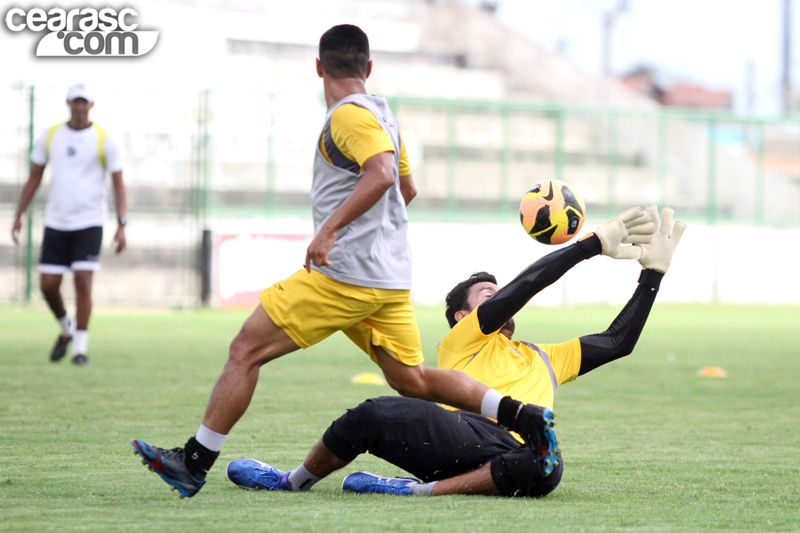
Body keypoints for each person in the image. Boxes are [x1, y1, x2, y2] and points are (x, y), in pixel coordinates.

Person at [132, 24, 618, 498]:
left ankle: (194, 462)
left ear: (319, 67)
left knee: (246, 350)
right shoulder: (385, 116)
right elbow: (408, 188)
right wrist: (373, 236)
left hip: (343, 276)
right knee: (414, 379)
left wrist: (331, 230)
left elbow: (383, 176)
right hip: (386, 280)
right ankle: (517, 412)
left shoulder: (348, 116)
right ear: (369, 66)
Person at [223, 206, 685, 498]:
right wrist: (588, 247)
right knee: (371, 414)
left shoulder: (545, 357)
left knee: (546, 466)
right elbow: (525, 288)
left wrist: (653, 276)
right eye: (486, 293)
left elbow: (617, 341)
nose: (498, 296)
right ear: (463, 316)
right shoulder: (462, 339)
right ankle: (292, 481)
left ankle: (415, 491)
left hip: (516, 449)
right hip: (456, 434)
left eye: (495, 291)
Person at [11, 83, 127, 367]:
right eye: (75, 101)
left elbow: (118, 183)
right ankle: (66, 329)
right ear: (68, 103)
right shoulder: (51, 136)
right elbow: (35, 176)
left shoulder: (104, 139)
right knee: (48, 286)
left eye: (84, 102)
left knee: (83, 282)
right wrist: (19, 214)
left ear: (91, 105)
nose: (79, 106)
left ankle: (80, 350)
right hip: (56, 222)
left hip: (89, 222)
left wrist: (122, 223)